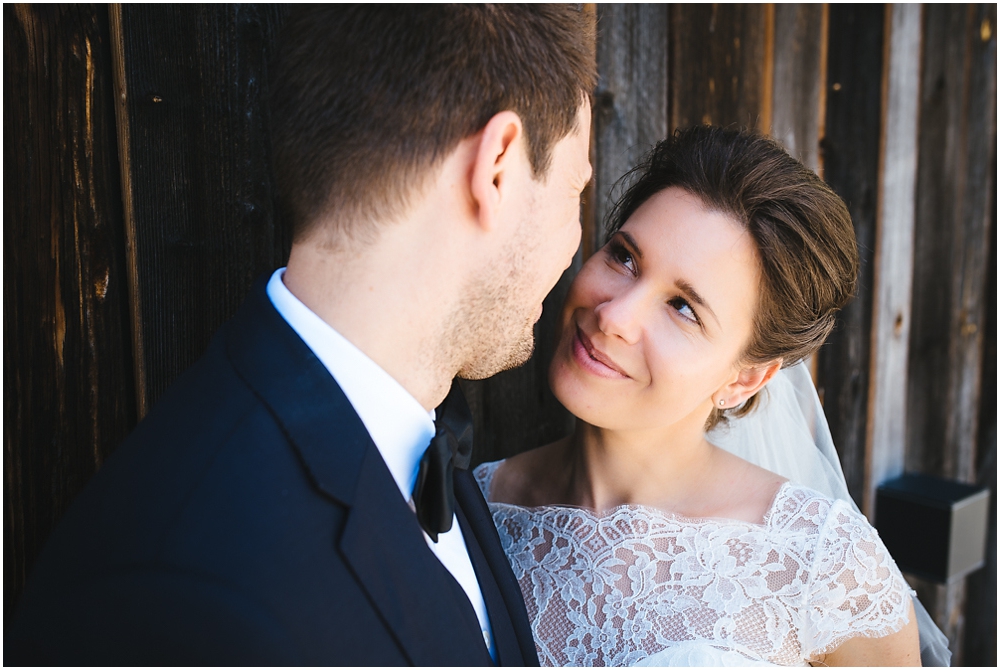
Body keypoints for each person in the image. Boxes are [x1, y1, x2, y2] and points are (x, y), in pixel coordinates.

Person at [6, 6, 595, 665]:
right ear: (498, 167)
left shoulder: (421, 436)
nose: (576, 245)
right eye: (575, 189)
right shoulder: (178, 597)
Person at [474, 126, 935, 666]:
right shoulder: (473, 508)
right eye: (624, 257)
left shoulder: (825, 570)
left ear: (744, 380)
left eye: (683, 308)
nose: (613, 316)